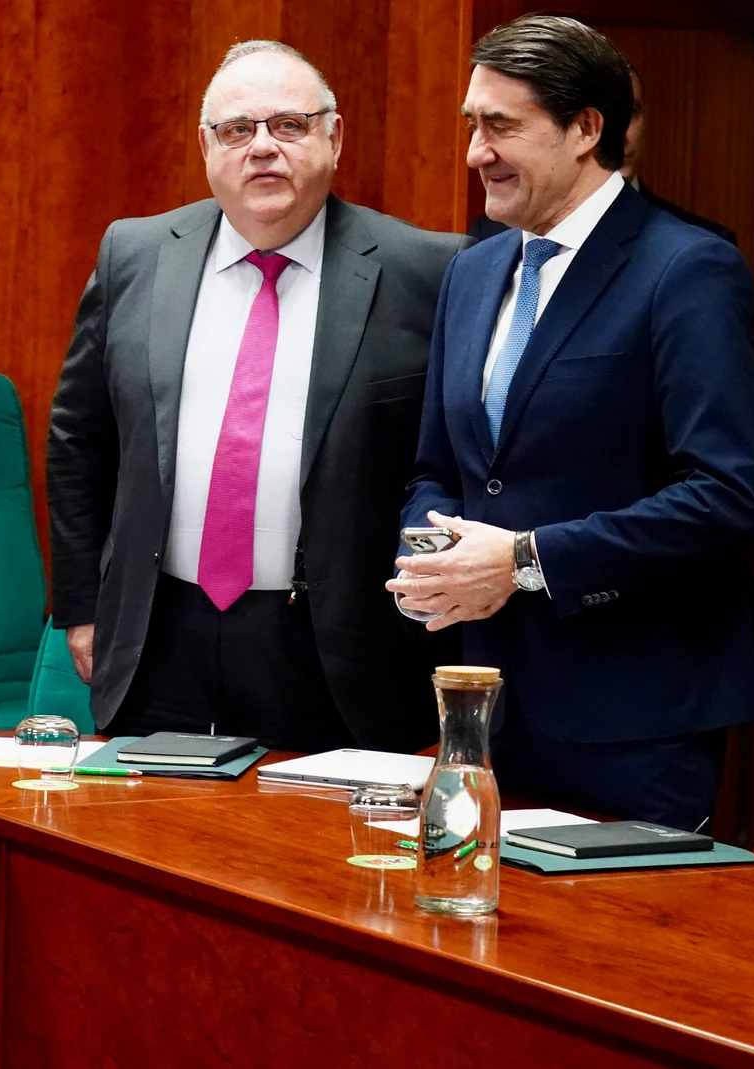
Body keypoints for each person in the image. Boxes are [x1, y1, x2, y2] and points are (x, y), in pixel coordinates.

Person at [391, 15, 754, 828]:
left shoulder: (687, 269)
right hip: (488, 705)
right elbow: (439, 469)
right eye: (471, 125)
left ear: (585, 130)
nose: (475, 153)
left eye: (502, 126)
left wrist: (528, 562)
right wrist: (428, 561)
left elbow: (730, 494)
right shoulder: (472, 272)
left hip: (637, 718)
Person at [47, 42, 469, 754]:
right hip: (158, 637)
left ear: (334, 138)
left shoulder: (427, 270)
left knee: (307, 858)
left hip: (334, 649)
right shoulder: (135, 254)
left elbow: (453, 459)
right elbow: (77, 441)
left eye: (290, 126)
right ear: (207, 147)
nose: (262, 149)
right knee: (149, 843)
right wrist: (83, 609)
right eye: (238, 130)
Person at [468, 62, 735, 245]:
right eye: (474, 127)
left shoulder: (696, 250)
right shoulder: (482, 249)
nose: (617, 134)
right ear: (586, 128)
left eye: (629, 115)